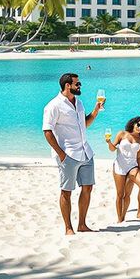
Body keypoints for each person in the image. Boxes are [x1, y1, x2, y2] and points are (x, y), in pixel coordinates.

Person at [42, 72, 104, 234]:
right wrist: (61, 154)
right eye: (77, 84)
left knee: (88, 188)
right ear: (67, 85)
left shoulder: (80, 103)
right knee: (66, 191)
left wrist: (96, 111)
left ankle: (82, 224)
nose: (80, 86)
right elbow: (47, 131)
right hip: (68, 153)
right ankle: (68, 227)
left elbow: (85, 124)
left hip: (85, 151)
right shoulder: (53, 105)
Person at [109, 117, 140, 222]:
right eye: (138, 125)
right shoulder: (122, 134)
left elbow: (139, 156)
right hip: (120, 166)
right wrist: (109, 142)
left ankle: (139, 212)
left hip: (133, 166)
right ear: (134, 123)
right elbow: (112, 149)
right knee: (120, 194)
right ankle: (120, 219)